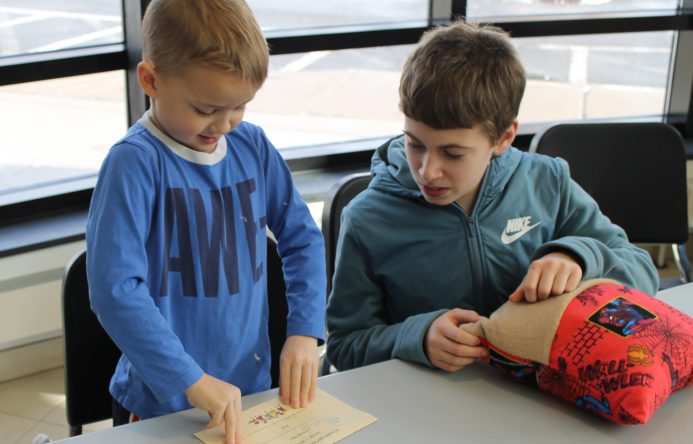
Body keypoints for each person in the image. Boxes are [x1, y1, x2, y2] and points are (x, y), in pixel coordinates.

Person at [325, 20, 658, 374]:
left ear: (504, 137)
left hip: (545, 396)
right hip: (431, 406)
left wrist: (578, 257)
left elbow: (642, 274)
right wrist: (416, 338)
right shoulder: (367, 219)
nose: (427, 170)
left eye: (452, 153)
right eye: (414, 144)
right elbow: (345, 347)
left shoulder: (547, 182)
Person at [86, 1, 325, 443]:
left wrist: (305, 331)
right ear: (151, 80)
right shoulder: (133, 164)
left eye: (240, 107)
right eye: (205, 108)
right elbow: (115, 291)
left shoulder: (251, 145)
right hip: (163, 403)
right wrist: (190, 379)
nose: (225, 124)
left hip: (247, 391)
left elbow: (301, 238)